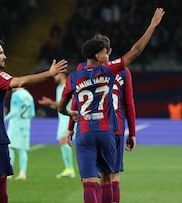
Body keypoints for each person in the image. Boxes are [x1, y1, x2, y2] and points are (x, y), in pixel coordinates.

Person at [58, 8, 164, 203]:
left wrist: (70, 122)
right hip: (110, 129)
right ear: (99, 56)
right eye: (106, 52)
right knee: (110, 177)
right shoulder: (110, 70)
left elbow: (67, 105)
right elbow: (135, 52)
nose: (108, 55)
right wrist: (152, 26)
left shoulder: (75, 75)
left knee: (89, 181)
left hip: (84, 130)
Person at [0, 39, 67, 203]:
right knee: (0, 184)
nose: (4, 56)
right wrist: (49, 73)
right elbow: (20, 82)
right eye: (1, 53)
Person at [69, 33, 136, 203]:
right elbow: (128, 103)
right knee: (112, 176)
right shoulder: (122, 70)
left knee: (92, 178)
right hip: (116, 127)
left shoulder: (81, 69)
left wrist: (70, 126)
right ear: (105, 52)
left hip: (89, 126)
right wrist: (132, 133)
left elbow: (76, 100)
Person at [38, 72, 76, 178]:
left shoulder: (66, 86)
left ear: (63, 75)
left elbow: (63, 104)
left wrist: (50, 102)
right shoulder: (59, 87)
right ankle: (68, 168)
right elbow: (60, 106)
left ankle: (70, 169)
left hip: (68, 118)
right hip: (62, 118)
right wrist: (51, 103)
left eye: (57, 75)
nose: (54, 77)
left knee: (64, 141)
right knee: (62, 141)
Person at [4, 87, 35, 180]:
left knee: (10, 147)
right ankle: (22, 173)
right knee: (22, 149)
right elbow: (32, 113)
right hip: (26, 124)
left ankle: (9, 172)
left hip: (16, 124)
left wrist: (4, 119)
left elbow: (14, 111)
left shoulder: (16, 95)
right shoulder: (29, 96)